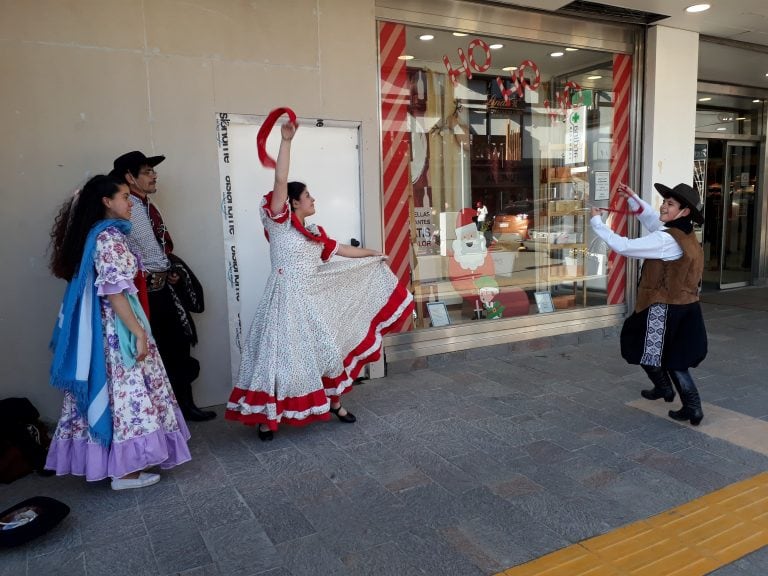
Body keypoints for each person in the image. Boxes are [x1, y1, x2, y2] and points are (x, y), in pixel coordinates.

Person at [226, 121, 413, 440]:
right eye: (308, 196)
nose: (313, 200)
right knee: (278, 357)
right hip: (284, 302)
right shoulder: (280, 223)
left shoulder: (314, 234)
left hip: (314, 301)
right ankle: (267, 417)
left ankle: (334, 403)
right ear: (293, 202)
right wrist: (286, 141)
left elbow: (343, 250)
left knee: (328, 351)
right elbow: (280, 178)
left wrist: (374, 255)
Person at [45, 175, 192, 489]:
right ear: (106, 202)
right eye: (125, 196)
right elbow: (115, 292)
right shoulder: (108, 238)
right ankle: (126, 473)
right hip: (117, 327)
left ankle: (118, 464)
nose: (130, 203)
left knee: (116, 394)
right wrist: (138, 332)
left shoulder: (94, 236)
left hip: (106, 327)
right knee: (128, 391)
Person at [590, 182, 707, 426]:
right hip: (684, 307)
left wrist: (597, 223)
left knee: (645, 347)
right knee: (671, 356)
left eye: (670, 204)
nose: (664, 206)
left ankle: (683, 400)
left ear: (684, 211)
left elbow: (625, 247)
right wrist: (633, 198)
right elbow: (653, 219)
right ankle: (673, 395)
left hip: (664, 308)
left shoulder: (667, 240)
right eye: (665, 201)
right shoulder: (684, 233)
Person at [110, 151, 215, 422]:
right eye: (147, 171)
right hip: (142, 295)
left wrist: (168, 271)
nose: (154, 175)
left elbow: (156, 248)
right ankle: (159, 416)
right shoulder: (123, 210)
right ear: (129, 177)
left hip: (162, 290)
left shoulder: (145, 206)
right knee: (150, 354)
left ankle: (184, 407)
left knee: (179, 347)